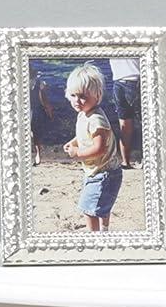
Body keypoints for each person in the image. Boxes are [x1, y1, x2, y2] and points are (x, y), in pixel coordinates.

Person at [61, 63, 122, 231]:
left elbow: (99, 148)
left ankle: (93, 237)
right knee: (100, 205)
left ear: (97, 96)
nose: (77, 101)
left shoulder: (96, 119)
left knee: (89, 209)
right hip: (99, 170)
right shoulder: (84, 114)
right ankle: (104, 231)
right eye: (73, 95)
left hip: (104, 173)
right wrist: (74, 142)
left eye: (82, 96)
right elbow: (85, 134)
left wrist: (78, 153)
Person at [109, 56, 142, 167]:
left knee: (125, 126)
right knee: (144, 124)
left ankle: (125, 161)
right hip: (135, 81)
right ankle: (144, 160)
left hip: (118, 82)